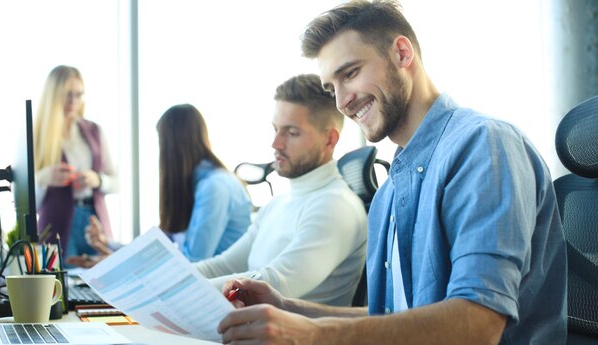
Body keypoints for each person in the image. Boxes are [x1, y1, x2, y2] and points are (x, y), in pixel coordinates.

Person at [218, 0, 575, 345]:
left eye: (349, 73)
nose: (341, 102)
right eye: (331, 88)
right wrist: (290, 309)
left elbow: (478, 322)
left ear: (402, 53)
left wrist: (313, 338)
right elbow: (390, 322)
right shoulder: (389, 190)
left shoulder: (483, 146)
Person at [195, 73, 368, 306]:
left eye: (291, 132)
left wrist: (173, 292)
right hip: (250, 332)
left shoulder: (336, 206)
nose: (275, 143)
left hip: (295, 340)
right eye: (276, 129)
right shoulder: (278, 204)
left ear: (329, 140)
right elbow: (223, 265)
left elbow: (274, 282)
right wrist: (161, 279)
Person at [72, 104, 252, 263]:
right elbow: (156, 246)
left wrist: (118, 263)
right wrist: (107, 244)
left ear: (172, 146)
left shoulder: (214, 187)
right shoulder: (194, 187)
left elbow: (194, 262)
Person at [35, 65, 118, 258]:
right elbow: (24, 200)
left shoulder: (94, 131)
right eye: (67, 94)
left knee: (101, 278)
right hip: (57, 222)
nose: (74, 101)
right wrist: (43, 178)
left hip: (94, 221)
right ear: (53, 95)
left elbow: (116, 182)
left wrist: (97, 180)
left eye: (79, 94)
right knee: (63, 283)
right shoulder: (38, 136)